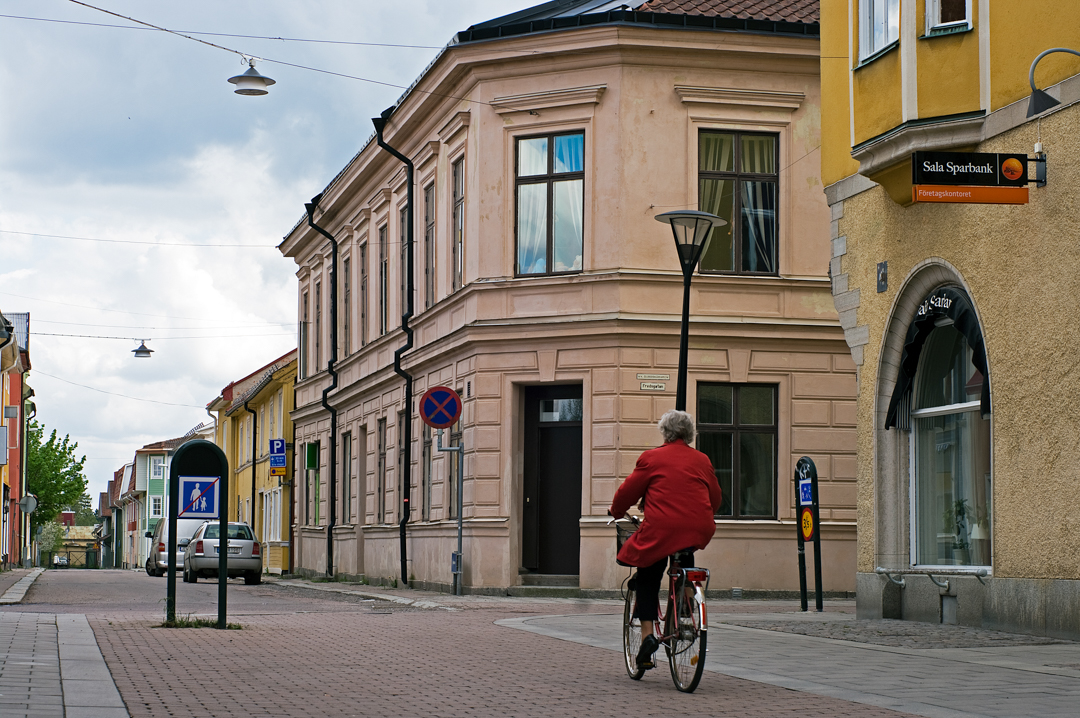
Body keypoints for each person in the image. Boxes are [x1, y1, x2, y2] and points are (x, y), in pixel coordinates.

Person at [608, 409, 722, 669]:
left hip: (661, 529)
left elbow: (627, 493)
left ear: (664, 432)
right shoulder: (702, 460)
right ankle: (685, 604)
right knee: (684, 555)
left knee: (648, 574)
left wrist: (615, 511)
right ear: (689, 434)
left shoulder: (652, 458)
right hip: (698, 527)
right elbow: (715, 498)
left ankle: (647, 638)